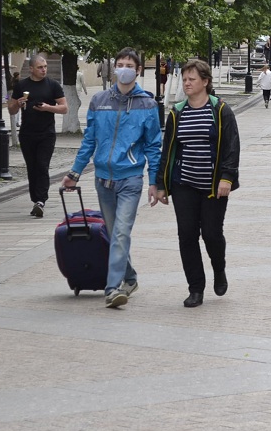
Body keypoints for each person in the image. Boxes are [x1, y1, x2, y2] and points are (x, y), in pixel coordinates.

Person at [62, 47, 162, 308]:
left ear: (138, 70)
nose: (124, 68)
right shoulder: (99, 101)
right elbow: (90, 140)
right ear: (114, 67)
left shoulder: (148, 105)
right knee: (112, 232)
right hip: (103, 178)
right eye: (120, 63)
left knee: (120, 233)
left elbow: (153, 146)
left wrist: (155, 182)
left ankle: (112, 288)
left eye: (129, 64)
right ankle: (129, 277)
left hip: (130, 179)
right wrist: (74, 172)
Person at [155, 59, 239, 308]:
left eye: (192, 79)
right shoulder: (177, 112)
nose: (187, 83)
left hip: (213, 185)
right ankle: (196, 288)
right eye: (185, 79)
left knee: (212, 234)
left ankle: (219, 268)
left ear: (205, 81)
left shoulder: (220, 110)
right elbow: (167, 150)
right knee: (187, 236)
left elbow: (231, 147)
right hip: (184, 184)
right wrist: (162, 184)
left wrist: (227, 177)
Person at [16, 54, 68, 218]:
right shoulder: (22, 85)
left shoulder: (53, 85)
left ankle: (41, 201)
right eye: (40, 67)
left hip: (46, 134)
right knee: (32, 167)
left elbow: (64, 108)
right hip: (27, 134)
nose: (43, 69)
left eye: (45, 66)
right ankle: (35, 199)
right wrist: (17, 104)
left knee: (42, 165)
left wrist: (47, 107)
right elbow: (11, 109)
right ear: (31, 68)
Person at [6, 71, 21, 148]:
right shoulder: (18, 83)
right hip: (16, 97)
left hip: (11, 96)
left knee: (14, 110)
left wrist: (7, 99)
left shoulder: (11, 82)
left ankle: (15, 122)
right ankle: (17, 122)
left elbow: (8, 92)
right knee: (17, 111)